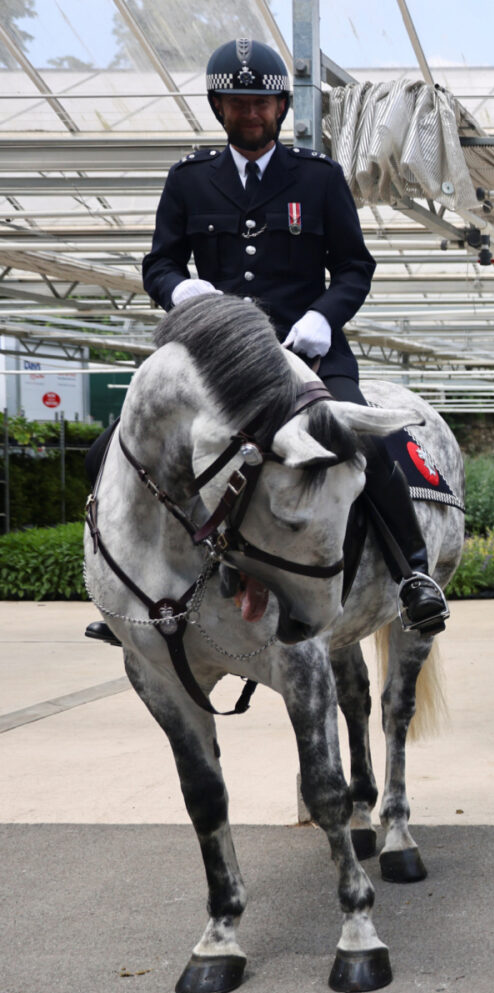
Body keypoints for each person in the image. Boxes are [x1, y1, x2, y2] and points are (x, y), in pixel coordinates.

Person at [85, 37, 446, 645]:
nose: (250, 113)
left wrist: (325, 317)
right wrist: (179, 293)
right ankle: (124, 587)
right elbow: (159, 264)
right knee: (111, 449)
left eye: (261, 102)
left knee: (362, 442)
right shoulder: (188, 180)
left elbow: (355, 267)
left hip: (308, 349)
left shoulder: (320, 178)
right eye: (237, 103)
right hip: (217, 361)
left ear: (281, 107)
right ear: (218, 109)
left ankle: (413, 575)